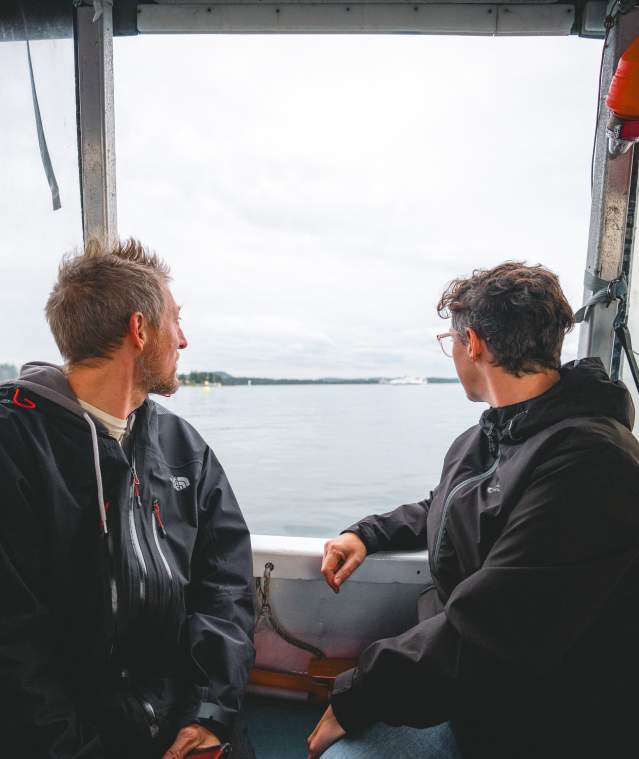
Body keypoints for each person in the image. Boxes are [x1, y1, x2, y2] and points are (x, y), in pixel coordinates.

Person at [308, 262, 639, 759]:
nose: (454, 353)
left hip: (544, 719)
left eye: (452, 341)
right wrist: (368, 534)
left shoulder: (592, 463)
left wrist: (358, 696)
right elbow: (449, 505)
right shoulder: (491, 435)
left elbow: (494, 628)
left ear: (475, 343)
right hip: (474, 693)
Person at [0, 240, 255, 759]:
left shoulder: (183, 448)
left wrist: (208, 713)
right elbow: (13, 646)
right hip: (68, 734)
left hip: (181, 718)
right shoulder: (15, 446)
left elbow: (224, 586)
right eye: (175, 322)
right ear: (140, 330)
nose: (183, 340)